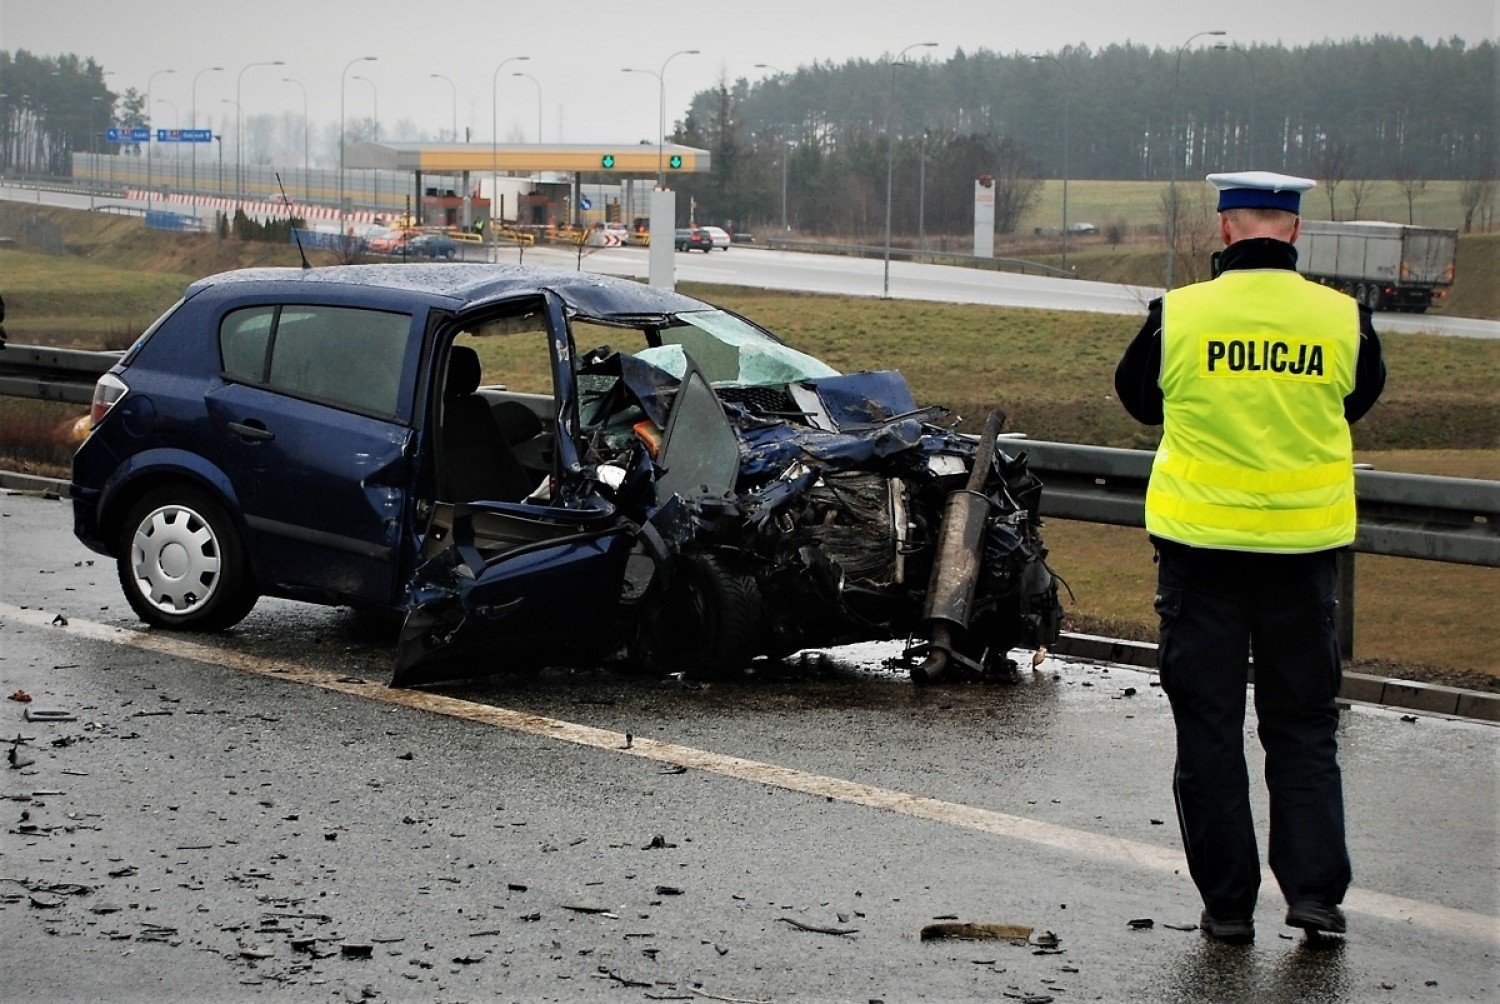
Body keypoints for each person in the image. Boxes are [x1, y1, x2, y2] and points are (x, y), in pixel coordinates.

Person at [1114, 171, 1386, 944]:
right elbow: (1357, 399)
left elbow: (1139, 399)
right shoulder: (1344, 319)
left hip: (1201, 558)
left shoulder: (1180, 316)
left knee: (1209, 727)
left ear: (1225, 229)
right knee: (1303, 726)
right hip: (1303, 557)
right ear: (1295, 233)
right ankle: (1315, 896)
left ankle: (1229, 907)